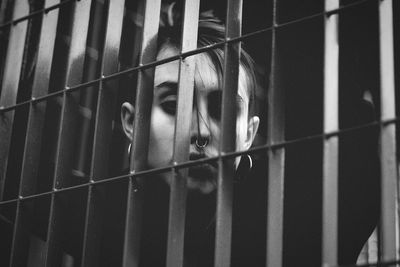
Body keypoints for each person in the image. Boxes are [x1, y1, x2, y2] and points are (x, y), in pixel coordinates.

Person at [119, 4, 262, 267]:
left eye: (225, 111)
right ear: (132, 122)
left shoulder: (273, 240)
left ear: (249, 134)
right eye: (174, 105)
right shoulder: (84, 219)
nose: (202, 132)